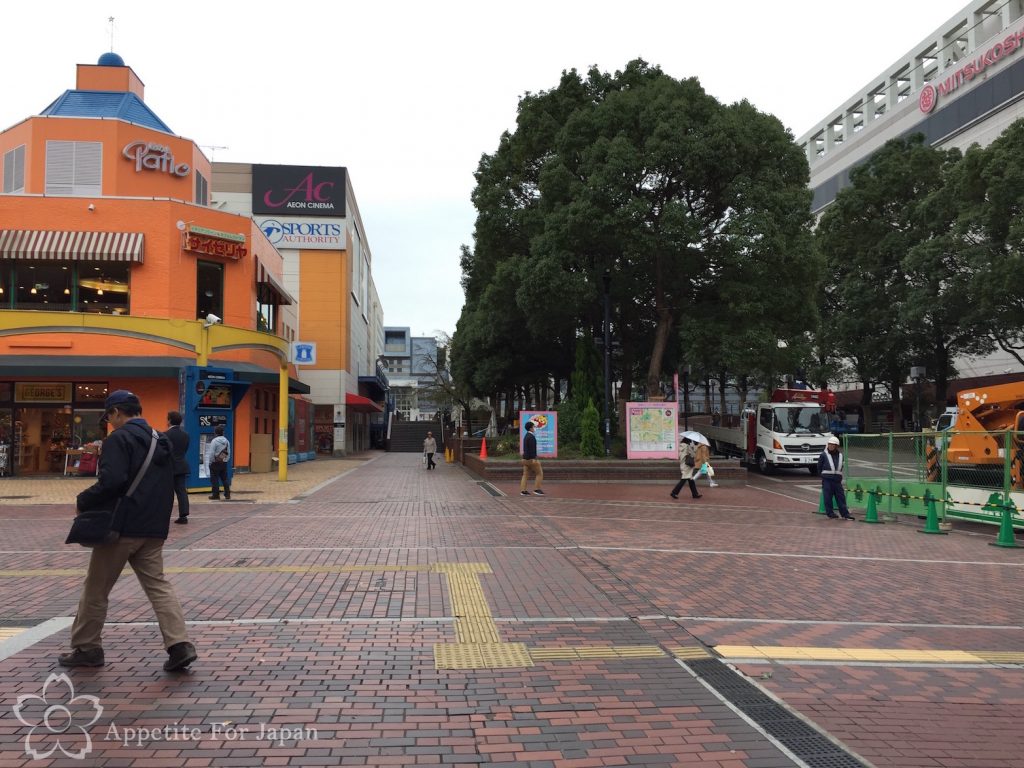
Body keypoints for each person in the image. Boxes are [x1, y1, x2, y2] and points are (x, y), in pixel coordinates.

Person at [59, 390, 197, 672]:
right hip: (154, 528)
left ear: (117, 412)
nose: (109, 422)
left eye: (108, 416)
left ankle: (88, 647)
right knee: (158, 586)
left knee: (96, 589)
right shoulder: (161, 439)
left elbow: (112, 481)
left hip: (122, 527)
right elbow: (168, 483)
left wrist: (83, 501)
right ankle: (179, 644)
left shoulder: (118, 439)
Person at [819, 435, 854, 520]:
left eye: (833, 445)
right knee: (827, 497)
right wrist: (823, 476)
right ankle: (830, 513)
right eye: (830, 444)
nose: (831, 446)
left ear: (836, 446)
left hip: (837, 480)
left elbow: (841, 467)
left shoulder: (841, 456)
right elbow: (819, 466)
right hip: (827, 480)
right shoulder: (824, 455)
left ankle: (845, 514)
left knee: (841, 497)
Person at [165, 411, 190, 524]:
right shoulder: (185, 435)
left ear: (169, 420)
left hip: (169, 466)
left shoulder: (165, 435)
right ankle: (183, 515)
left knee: (167, 492)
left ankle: (165, 514)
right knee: (181, 491)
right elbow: (184, 450)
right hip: (182, 465)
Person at [205, 425, 231, 500]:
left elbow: (211, 453)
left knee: (214, 479)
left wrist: (211, 461)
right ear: (223, 432)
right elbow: (228, 452)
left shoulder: (214, 441)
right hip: (223, 463)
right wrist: (226, 460)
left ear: (215, 432)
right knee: (224, 479)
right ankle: (227, 494)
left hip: (215, 463)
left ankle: (216, 495)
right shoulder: (227, 441)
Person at [520, 420, 544, 496]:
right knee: (539, 473)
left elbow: (526, 449)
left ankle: (523, 491)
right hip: (531, 459)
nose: (534, 428)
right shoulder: (532, 437)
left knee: (525, 475)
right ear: (530, 428)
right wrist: (534, 459)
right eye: (533, 427)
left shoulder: (526, 436)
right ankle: (537, 489)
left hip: (524, 459)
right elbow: (532, 449)